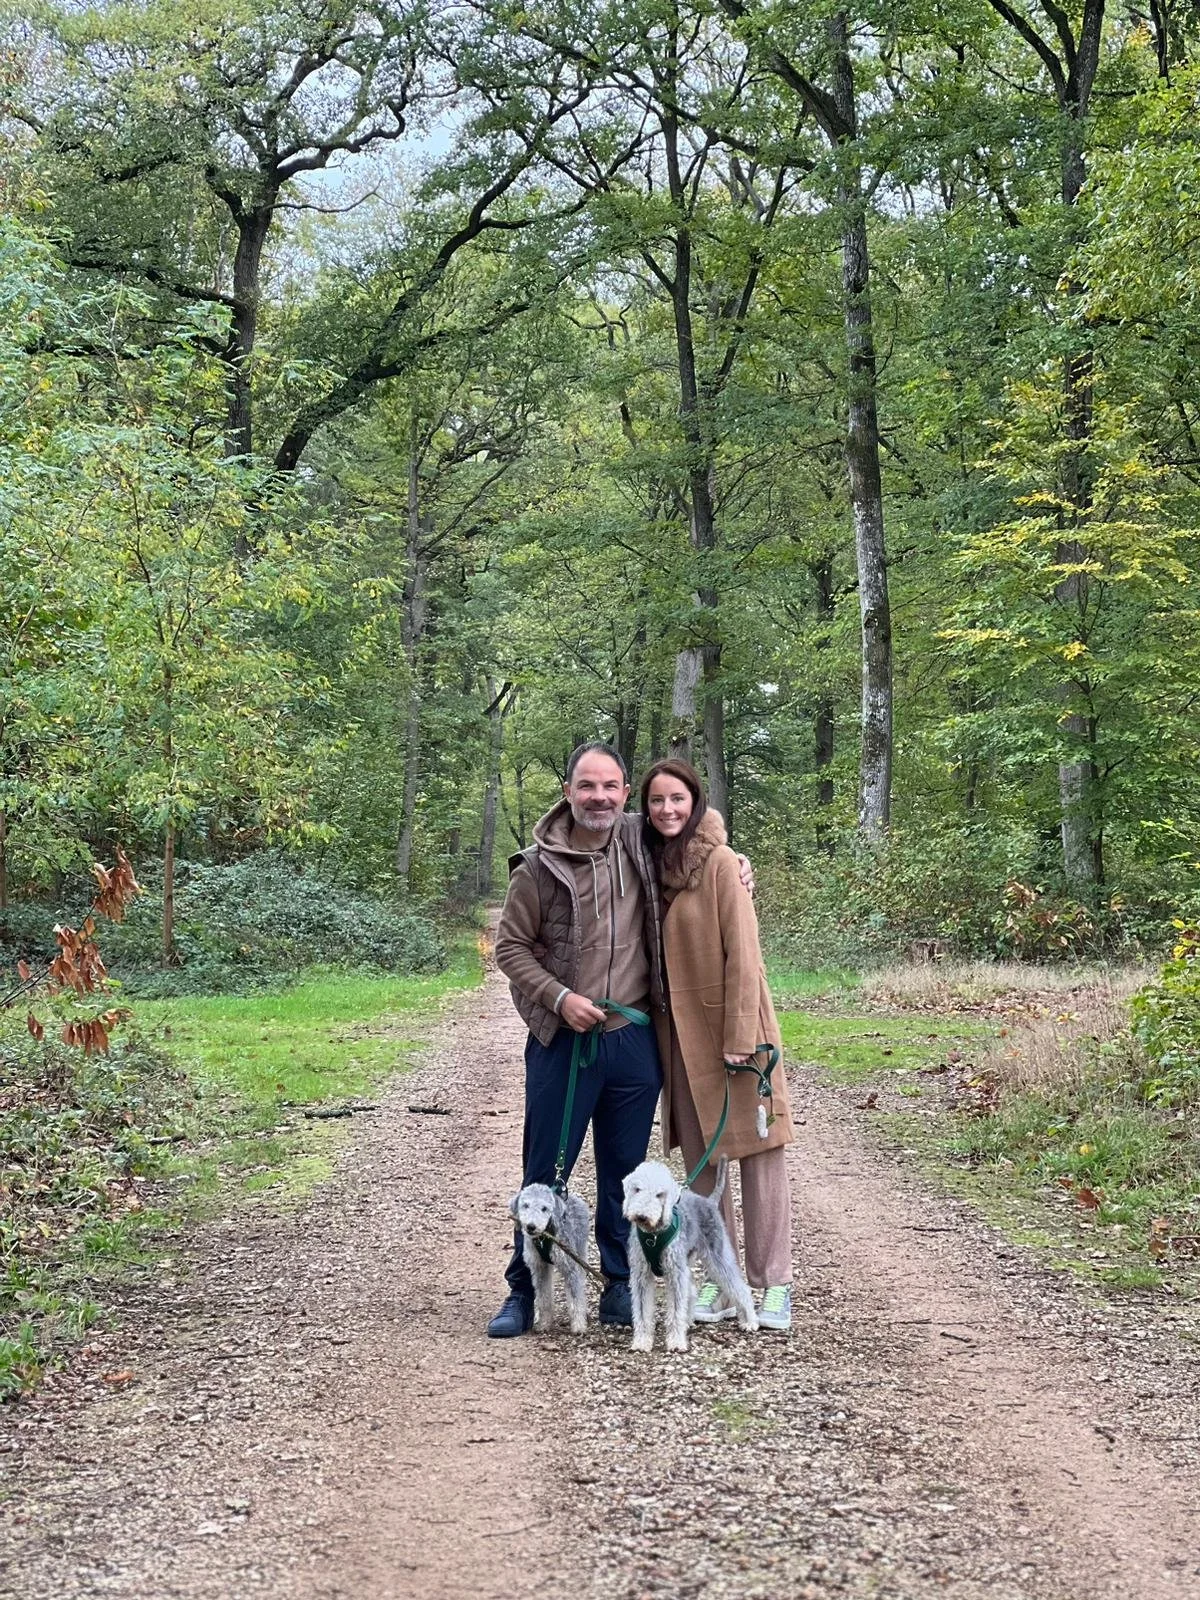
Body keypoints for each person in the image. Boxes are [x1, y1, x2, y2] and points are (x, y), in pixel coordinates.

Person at [488, 743, 667, 1337]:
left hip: (633, 1039)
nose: (601, 798)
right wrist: (560, 999)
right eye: (588, 786)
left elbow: (698, 833)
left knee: (627, 1171)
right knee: (544, 1174)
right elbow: (509, 949)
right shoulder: (537, 867)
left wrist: (736, 859)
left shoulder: (642, 840)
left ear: (624, 791)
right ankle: (523, 1289)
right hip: (562, 1041)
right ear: (568, 791)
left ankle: (620, 1283)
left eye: (612, 786)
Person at [641, 757, 796, 1332]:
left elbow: (745, 955)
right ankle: (723, 1280)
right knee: (703, 1169)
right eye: (656, 800)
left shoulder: (722, 864)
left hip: (735, 1035)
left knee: (759, 1157)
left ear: (696, 800)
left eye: (677, 799)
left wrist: (740, 1037)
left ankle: (774, 1283)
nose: (667, 810)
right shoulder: (648, 866)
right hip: (678, 1041)